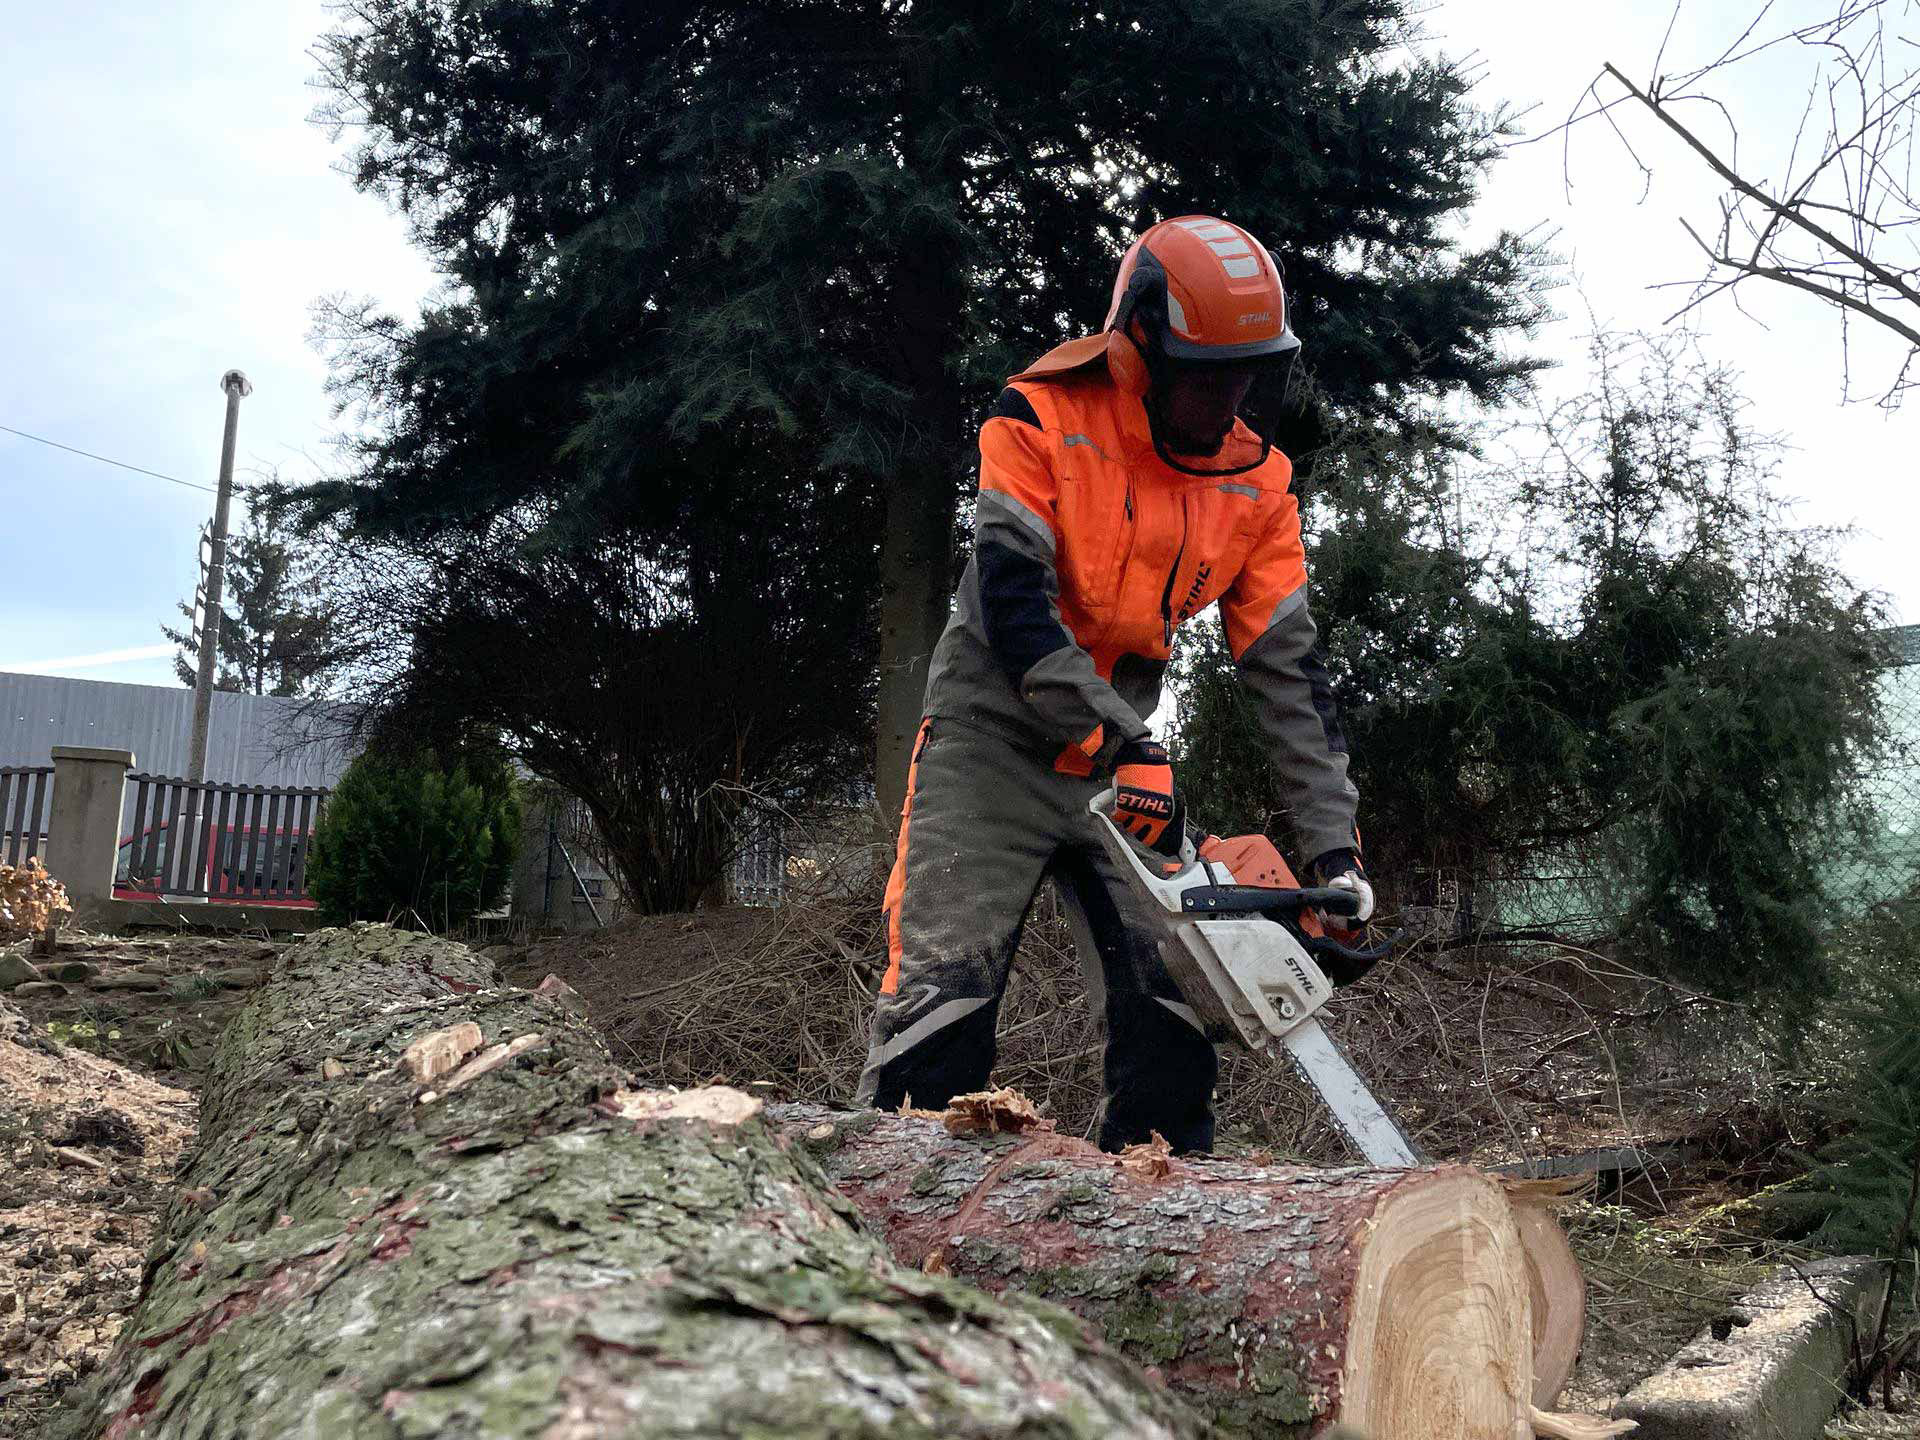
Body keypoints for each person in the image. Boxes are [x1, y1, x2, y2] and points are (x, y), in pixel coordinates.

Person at [854, 215, 1369, 1153]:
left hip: (1120, 765)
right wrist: (1129, 742)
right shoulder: (1038, 416)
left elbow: (1289, 675)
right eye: (1205, 375)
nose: (1226, 398)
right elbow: (1014, 603)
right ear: (1139, 345)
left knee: (1173, 1005)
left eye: (1245, 374)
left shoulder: (1260, 484)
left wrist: (1336, 859)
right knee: (942, 1006)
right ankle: (894, 1231)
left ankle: (1155, 1225)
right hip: (991, 745)